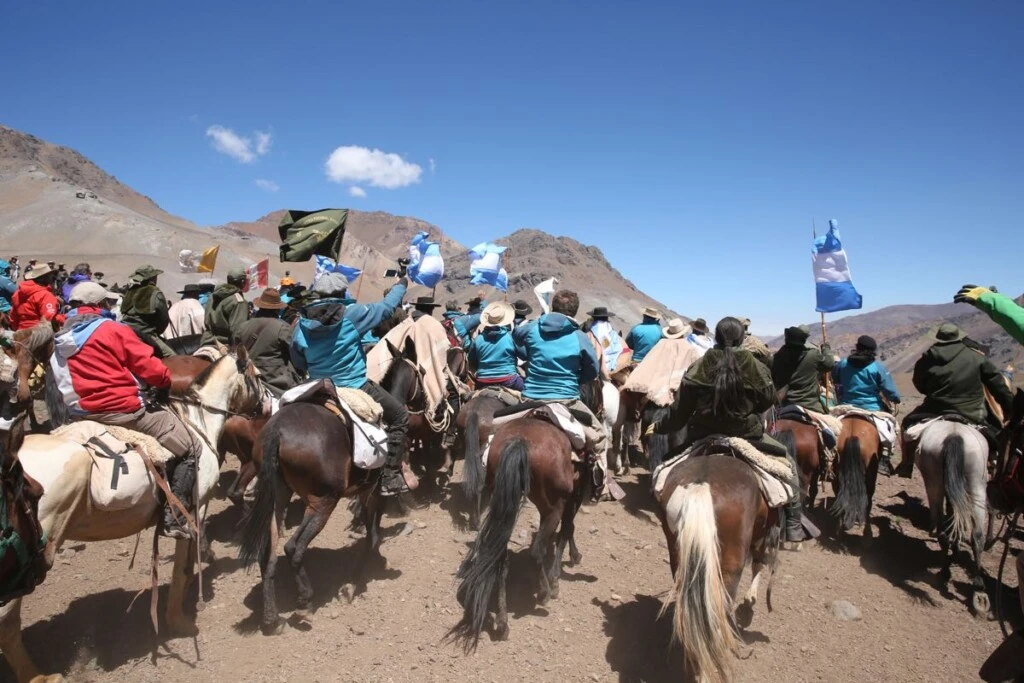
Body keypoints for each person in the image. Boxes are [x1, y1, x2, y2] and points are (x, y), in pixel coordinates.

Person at [50, 281, 201, 539]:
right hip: (124, 412)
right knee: (191, 448)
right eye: (107, 302)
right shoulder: (112, 330)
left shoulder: (61, 337)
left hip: (81, 413)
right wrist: (163, 380)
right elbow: (152, 369)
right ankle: (174, 517)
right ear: (99, 305)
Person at [653, 317, 802, 541]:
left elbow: (680, 413)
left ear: (717, 337)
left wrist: (659, 426)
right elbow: (767, 401)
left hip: (701, 434)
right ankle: (793, 523)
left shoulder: (699, 366)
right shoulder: (757, 368)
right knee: (787, 463)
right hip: (748, 435)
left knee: (664, 469)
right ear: (742, 338)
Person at [290, 271, 413, 496]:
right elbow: (387, 308)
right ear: (342, 292)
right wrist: (401, 284)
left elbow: (298, 360)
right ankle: (390, 477)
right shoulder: (352, 314)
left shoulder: (301, 324)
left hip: (317, 386)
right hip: (354, 386)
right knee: (400, 417)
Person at [513, 290, 610, 487]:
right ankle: (599, 486)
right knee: (600, 436)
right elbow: (592, 371)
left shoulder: (532, 328)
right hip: (567, 399)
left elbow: (515, 335)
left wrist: (529, 351)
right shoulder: (579, 337)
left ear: (553, 307)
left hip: (530, 397)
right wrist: (576, 379)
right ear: (575, 311)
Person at [898, 322, 1013, 478]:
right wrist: (1011, 408)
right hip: (973, 412)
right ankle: (998, 467)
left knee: (907, 423)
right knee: (1000, 437)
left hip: (935, 409)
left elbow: (919, 384)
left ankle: (906, 464)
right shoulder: (977, 357)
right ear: (959, 337)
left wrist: (934, 391)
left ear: (938, 338)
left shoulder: (927, 358)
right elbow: (997, 386)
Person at [831, 335, 902, 473]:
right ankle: (885, 458)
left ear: (857, 347)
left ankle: (827, 460)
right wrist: (895, 398)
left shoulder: (843, 364)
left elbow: (835, 378)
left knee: (826, 430)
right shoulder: (877, 367)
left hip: (845, 406)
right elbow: (889, 390)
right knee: (890, 429)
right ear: (872, 350)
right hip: (872, 407)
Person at [236, 288, 300, 397]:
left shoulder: (243, 326)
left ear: (260, 306)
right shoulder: (283, 327)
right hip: (275, 381)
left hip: (247, 378)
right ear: (277, 309)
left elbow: (237, 350)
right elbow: (295, 353)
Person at [772, 325, 834, 413]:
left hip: (785, 404)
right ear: (804, 340)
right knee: (830, 421)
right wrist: (826, 349)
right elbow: (829, 364)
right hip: (810, 404)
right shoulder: (812, 355)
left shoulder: (778, 357)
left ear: (786, 340)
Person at [120, 265, 174, 358]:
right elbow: (164, 319)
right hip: (144, 334)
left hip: (123, 330)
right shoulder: (155, 292)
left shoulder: (130, 291)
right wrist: (156, 333)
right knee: (172, 357)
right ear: (153, 278)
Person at [467, 302, 523, 391]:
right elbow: (523, 355)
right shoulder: (510, 337)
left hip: (483, 381)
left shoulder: (477, 339)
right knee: (528, 391)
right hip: (509, 380)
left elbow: (472, 362)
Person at [200, 267, 251, 348]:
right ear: (243, 282)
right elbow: (237, 332)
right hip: (224, 345)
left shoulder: (212, 296)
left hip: (206, 341)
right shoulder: (239, 302)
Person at [10, 263, 64, 330]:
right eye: (50, 275)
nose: (52, 277)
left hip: (21, 332)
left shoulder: (18, 293)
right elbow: (49, 318)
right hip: (38, 333)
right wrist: (63, 318)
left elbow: (13, 318)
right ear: (44, 277)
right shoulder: (45, 295)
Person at [585, 305, 625, 377]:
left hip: (592, 368)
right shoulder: (612, 333)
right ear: (606, 318)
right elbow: (611, 348)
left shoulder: (589, 334)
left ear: (593, 318)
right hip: (612, 367)